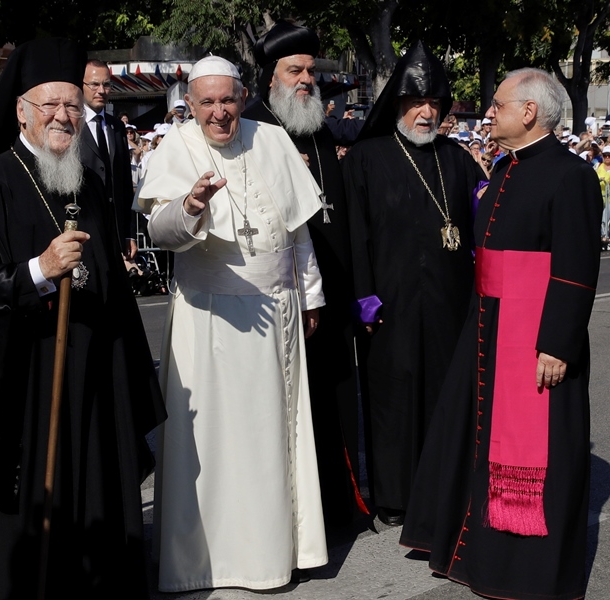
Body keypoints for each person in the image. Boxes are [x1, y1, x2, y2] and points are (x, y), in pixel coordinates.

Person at [0, 38, 165, 599]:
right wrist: (37, 271)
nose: (63, 116)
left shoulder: (87, 182)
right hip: (27, 394)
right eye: (49, 106)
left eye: (70, 106)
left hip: (92, 392)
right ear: (20, 111)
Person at [400, 68, 602, 600]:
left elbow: (576, 266)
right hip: (488, 322)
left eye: (498, 104)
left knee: (535, 449)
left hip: (535, 332)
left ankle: (525, 568)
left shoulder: (570, 174)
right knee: (474, 434)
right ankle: (470, 545)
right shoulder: (504, 167)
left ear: (530, 111)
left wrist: (556, 343)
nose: (489, 112)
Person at [135, 55, 328, 591]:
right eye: (207, 103)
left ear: (242, 97)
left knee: (270, 434)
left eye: (228, 100)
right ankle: (206, 562)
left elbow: (298, 233)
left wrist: (311, 297)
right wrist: (191, 205)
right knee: (214, 445)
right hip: (210, 319)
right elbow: (160, 231)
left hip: (276, 315)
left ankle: (272, 555)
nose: (219, 113)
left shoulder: (271, 139)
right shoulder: (176, 146)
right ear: (190, 105)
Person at [342, 41, 485, 526]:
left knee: (447, 392)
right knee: (394, 399)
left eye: (435, 105)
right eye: (416, 103)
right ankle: (398, 497)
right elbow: (354, 236)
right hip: (390, 305)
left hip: (450, 302)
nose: (427, 113)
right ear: (397, 104)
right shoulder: (366, 158)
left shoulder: (459, 159)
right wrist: (363, 296)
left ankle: (446, 487)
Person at [243, 20, 368, 529]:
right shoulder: (251, 127)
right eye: (294, 70)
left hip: (328, 290)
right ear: (270, 78)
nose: (305, 80)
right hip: (275, 291)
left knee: (334, 397)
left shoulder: (316, 126)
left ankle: (339, 505)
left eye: (310, 71)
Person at [80, 59, 138, 259]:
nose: (101, 90)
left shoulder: (117, 128)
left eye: (106, 84)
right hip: (85, 230)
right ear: (82, 86)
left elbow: (123, 184)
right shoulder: (71, 126)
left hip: (115, 231)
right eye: (94, 84)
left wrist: (129, 234)